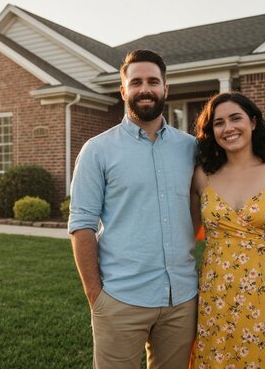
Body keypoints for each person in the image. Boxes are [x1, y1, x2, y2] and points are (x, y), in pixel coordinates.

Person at [69, 49, 198, 369]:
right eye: (136, 81)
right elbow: (81, 224)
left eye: (153, 81)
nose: (145, 89)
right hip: (120, 298)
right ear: (123, 90)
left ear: (165, 89)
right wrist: (95, 295)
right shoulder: (97, 150)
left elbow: (209, 203)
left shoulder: (190, 147)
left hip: (181, 300)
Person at [189, 92, 265, 368]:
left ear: (253, 122)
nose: (228, 128)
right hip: (216, 295)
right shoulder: (201, 176)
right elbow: (190, 233)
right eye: (218, 123)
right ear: (212, 132)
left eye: (235, 118)